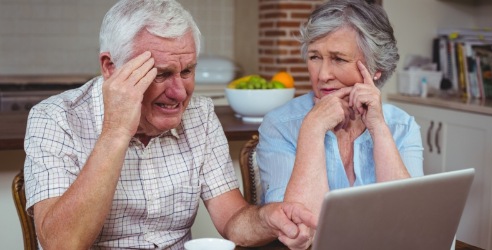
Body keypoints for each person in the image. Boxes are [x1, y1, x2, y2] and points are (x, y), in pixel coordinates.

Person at [23, 0, 317, 249]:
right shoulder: (54, 118)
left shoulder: (200, 114)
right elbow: (62, 244)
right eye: (161, 74)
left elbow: (232, 220)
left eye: (187, 71)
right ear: (111, 68)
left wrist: (268, 219)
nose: (179, 92)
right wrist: (116, 131)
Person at [257, 0, 424, 235]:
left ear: (376, 69)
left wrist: (378, 128)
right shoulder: (280, 125)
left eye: (338, 59)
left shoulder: (402, 127)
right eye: (315, 57)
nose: (323, 75)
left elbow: (409, 223)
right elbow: (298, 232)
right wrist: (313, 128)